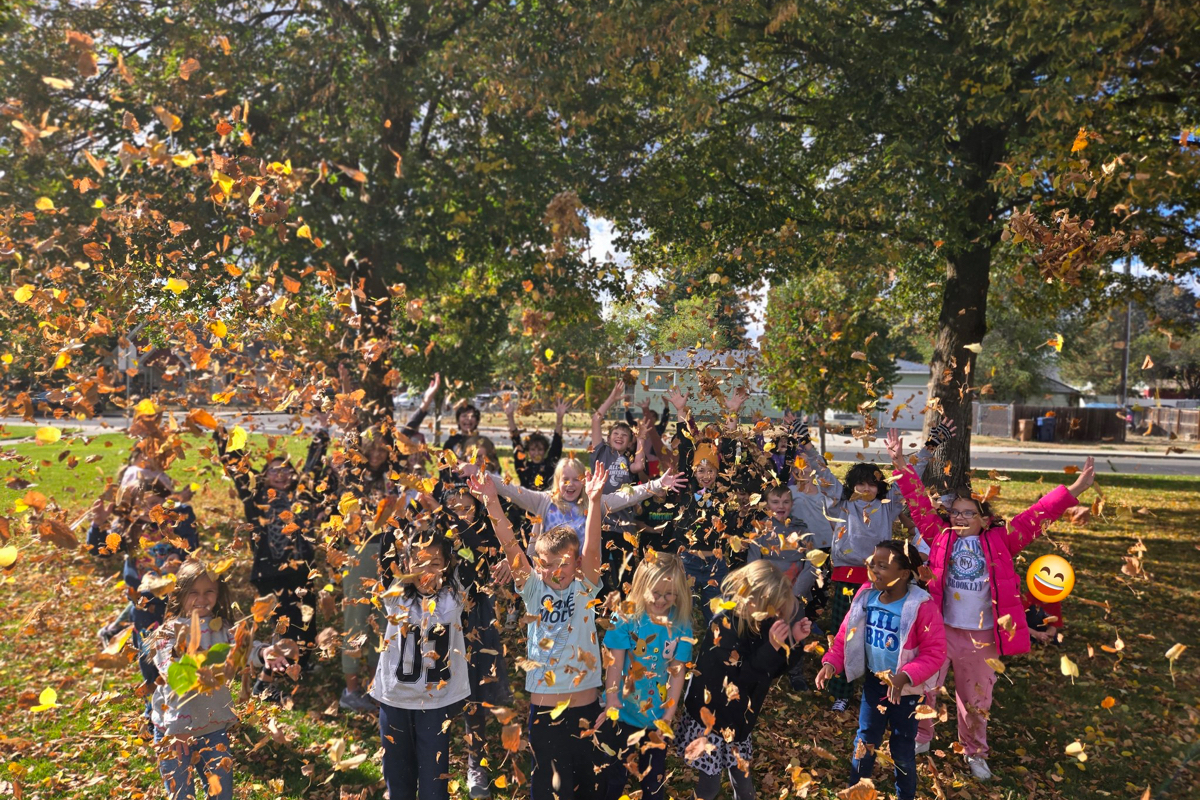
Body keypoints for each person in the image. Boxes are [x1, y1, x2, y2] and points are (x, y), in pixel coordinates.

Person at [885, 426, 1095, 781]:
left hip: (982, 638)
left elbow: (1037, 515)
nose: (961, 518)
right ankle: (922, 736)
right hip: (939, 631)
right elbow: (919, 503)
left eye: (970, 513)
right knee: (925, 688)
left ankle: (974, 751)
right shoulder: (939, 537)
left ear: (985, 519)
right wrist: (900, 462)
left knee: (976, 700)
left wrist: (1074, 490)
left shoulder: (1002, 540)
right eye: (957, 512)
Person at [469, 465, 609, 800]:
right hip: (545, 711)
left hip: (585, 709)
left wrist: (594, 501)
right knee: (546, 785)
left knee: (584, 786)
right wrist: (491, 499)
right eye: (546, 564)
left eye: (564, 563)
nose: (555, 571)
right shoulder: (533, 590)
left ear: (575, 564)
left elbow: (592, 548)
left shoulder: (585, 588)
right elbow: (508, 541)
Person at [797, 418, 940, 712]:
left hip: (881, 582)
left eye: (871, 484)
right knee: (844, 632)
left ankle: (883, 686)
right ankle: (841, 691)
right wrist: (805, 444)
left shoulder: (889, 507)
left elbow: (910, 478)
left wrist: (930, 446)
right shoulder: (843, 504)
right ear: (852, 486)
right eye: (860, 483)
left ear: (879, 487)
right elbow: (823, 473)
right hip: (847, 578)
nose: (865, 488)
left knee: (879, 635)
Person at [816, 541, 947, 800]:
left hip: (907, 692)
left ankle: (905, 795)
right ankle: (857, 789)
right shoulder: (866, 595)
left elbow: (935, 652)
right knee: (865, 739)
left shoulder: (922, 605)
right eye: (872, 564)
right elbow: (846, 634)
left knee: (902, 748)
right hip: (876, 685)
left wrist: (904, 676)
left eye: (882, 566)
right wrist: (832, 661)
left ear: (904, 574)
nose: (873, 570)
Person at [150, 560, 291, 800]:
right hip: (174, 732)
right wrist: (178, 728)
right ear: (181, 594)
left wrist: (263, 652)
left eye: (209, 591)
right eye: (193, 592)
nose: (201, 598)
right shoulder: (169, 632)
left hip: (213, 727)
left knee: (221, 793)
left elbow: (242, 648)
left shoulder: (221, 627)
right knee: (181, 795)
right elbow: (172, 678)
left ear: (218, 593)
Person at [677, 560, 811, 800]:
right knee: (709, 788)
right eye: (772, 608)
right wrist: (771, 647)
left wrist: (794, 642)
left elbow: (770, 670)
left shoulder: (762, 622)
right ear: (751, 599)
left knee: (745, 787)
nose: (775, 615)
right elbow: (738, 680)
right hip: (713, 722)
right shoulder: (722, 626)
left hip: (739, 722)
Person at [215, 426, 331, 700]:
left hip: (301, 571)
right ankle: (266, 681)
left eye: (285, 470)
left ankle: (299, 662)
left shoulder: (301, 496)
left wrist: (322, 435)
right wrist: (224, 439)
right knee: (285, 622)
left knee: (306, 617)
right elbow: (240, 471)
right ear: (264, 476)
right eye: (273, 471)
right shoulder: (256, 498)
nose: (280, 475)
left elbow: (313, 467)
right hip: (271, 573)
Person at [371, 523, 472, 800]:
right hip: (395, 700)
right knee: (398, 781)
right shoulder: (396, 596)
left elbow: (472, 551)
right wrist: (395, 519)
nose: (426, 571)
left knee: (434, 784)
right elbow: (386, 552)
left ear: (447, 565)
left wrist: (448, 517)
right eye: (419, 563)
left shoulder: (454, 596)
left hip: (436, 704)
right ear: (406, 564)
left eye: (435, 563)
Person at [597, 552, 694, 800]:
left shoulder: (681, 623)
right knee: (614, 776)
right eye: (656, 593)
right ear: (641, 586)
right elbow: (614, 663)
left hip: (656, 716)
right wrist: (611, 698)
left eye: (669, 594)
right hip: (623, 713)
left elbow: (678, 670)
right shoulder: (625, 617)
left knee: (654, 780)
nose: (661, 600)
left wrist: (669, 715)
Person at [490, 456, 686, 543]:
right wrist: (485, 476)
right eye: (565, 480)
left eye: (577, 479)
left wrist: (657, 484)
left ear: (584, 482)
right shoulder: (543, 501)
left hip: (581, 572)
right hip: (547, 570)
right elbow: (514, 491)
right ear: (557, 482)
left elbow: (626, 495)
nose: (570, 484)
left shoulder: (594, 503)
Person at [747, 484, 812, 690]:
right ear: (767, 505)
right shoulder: (759, 530)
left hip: (795, 590)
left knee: (794, 629)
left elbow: (812, 563)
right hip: (768, 591)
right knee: (766, 629)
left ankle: (795, 671)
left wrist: (796, 591)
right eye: (775, 502)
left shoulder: (802, 529)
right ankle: (766, 668)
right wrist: (764, 590)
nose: (781, 506)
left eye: (785, 501)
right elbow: (754, 564)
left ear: (792, 504)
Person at [591, 379, 648, 592]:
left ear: (628, 442)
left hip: (624, 525)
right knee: (601, 571)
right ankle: (600, 610)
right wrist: (611, 399)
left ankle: (626, 611)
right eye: (616, 433)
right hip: (601, 522)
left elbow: (639, 465)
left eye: (625, 436)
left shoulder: (627, 460)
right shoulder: (601, 452)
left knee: (626, 573)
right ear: (608, 437)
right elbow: (596, 419)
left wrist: (641, 439)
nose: (619, 437)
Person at [506, 396, 567, 490]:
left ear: (545, 450)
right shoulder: (524, 466)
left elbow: (557, 442)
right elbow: (516, 441)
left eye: (540, 449)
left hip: (546, 502)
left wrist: (560, 417)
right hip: (526, 502)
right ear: (528, 450)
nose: (536, 453)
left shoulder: (550, 464)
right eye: (533, 450)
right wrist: (510, 416)